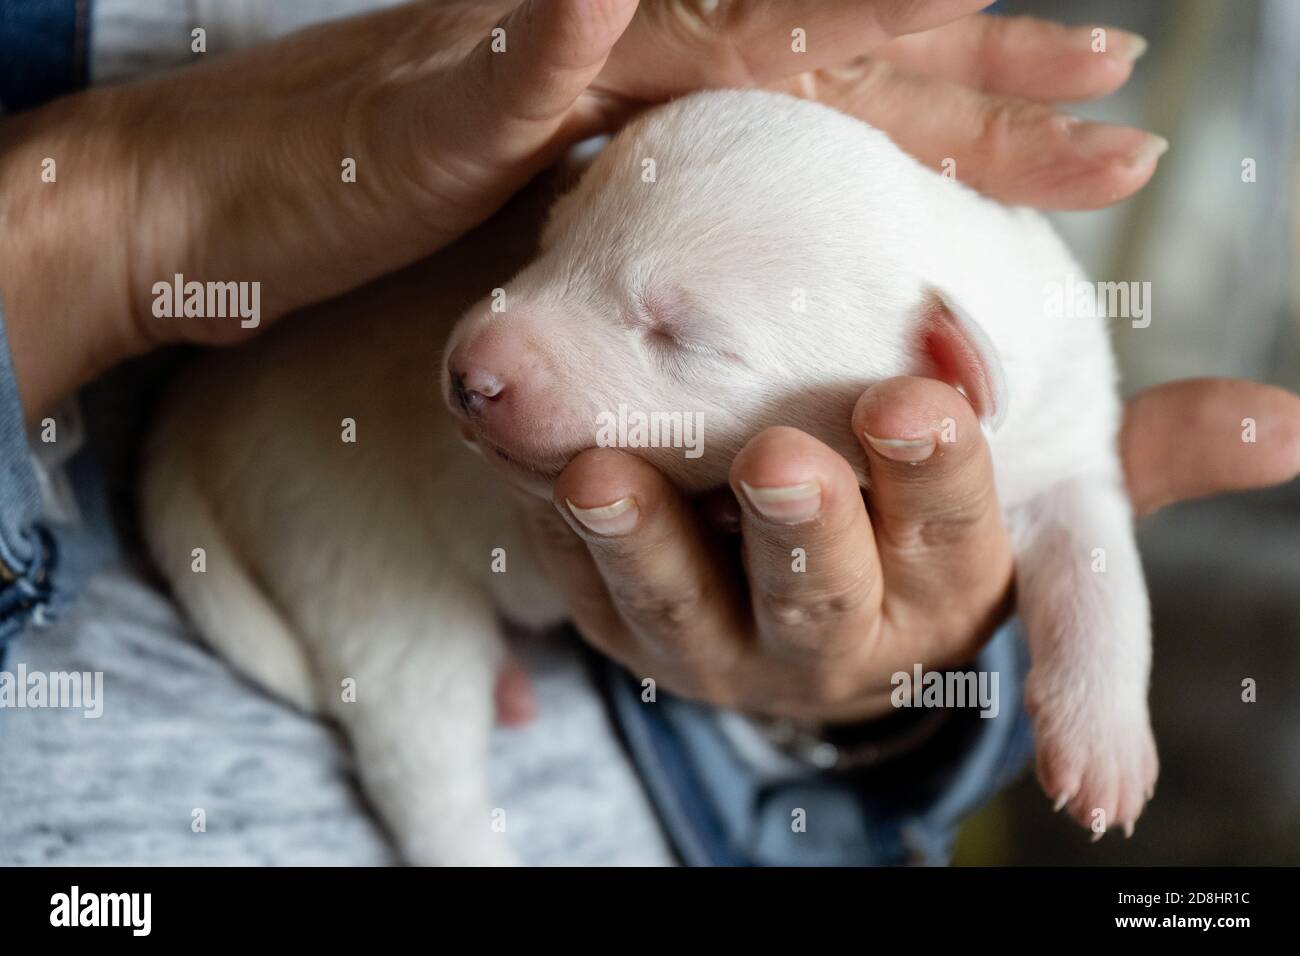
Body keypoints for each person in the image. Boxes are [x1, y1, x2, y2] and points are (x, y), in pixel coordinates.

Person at [1, 0, 1297, 865]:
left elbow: (1074, 502)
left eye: (681, 340)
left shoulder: (1030, 323)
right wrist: (106, 226)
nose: (492, 341)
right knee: (426, 726)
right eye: (573, 231)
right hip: (319, 494)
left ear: (949, 372)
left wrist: (973, 695)